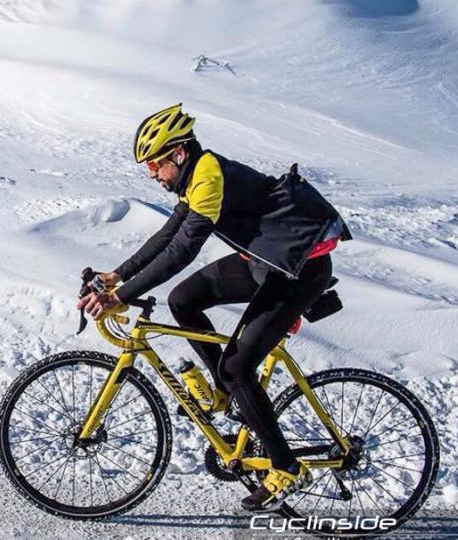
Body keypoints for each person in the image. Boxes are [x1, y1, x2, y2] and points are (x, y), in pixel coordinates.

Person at [76, 103, 352, 512]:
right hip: (264, 263)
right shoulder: (196, 176)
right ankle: (225, 393)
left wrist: (121, 297)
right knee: (182, 300)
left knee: (238, 366)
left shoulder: (207, 178)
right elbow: (167, 236)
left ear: (178, 154)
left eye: (155, 164)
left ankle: (286, 467)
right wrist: (117, 275)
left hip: (298, 272)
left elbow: (183, 252)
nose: (152, 173)